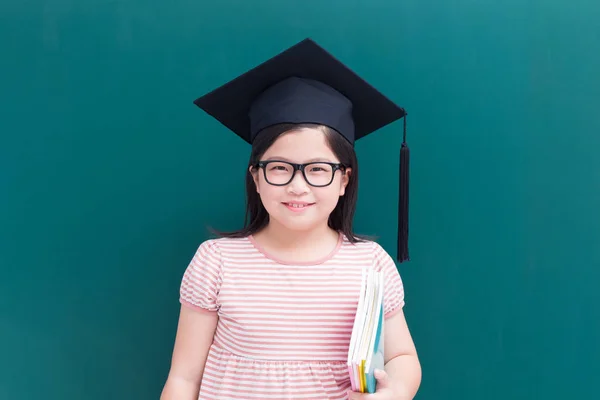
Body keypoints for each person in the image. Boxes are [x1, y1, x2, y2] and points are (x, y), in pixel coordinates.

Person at [160, 38, 421, 400]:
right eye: (279, 168)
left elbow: (403, 356)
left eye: (318, 170)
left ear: (344, 179)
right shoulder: (216, 262)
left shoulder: (370, 265)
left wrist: (396, 392)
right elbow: (184, 378)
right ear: (255, 176)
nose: (298, 187)